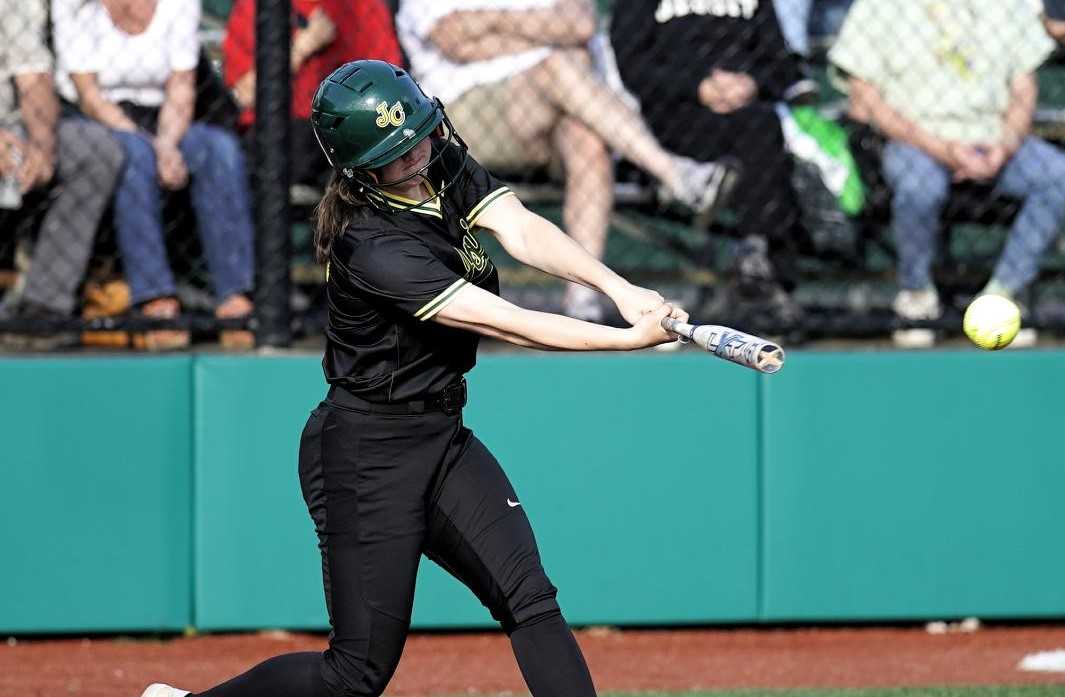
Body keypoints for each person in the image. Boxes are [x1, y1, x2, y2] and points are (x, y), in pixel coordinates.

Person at [138, 59, 685, 697]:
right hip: (367, 452)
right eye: (398, 154)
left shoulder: (437, 159)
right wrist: (625, 341)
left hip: (441, 433)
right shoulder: (370, 243)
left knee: (529, 596)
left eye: (421, 135)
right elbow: (507, 323)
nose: (419, 155)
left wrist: (620, 289)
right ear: (362, 170)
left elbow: (521, 226)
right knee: (355, 674)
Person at [396, 0, 732, 321]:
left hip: (561, 103)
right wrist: (543, 32)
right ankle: (673, 173)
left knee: (588, 139)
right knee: (557, 63)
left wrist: (490, 24)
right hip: (464, 111)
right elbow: (453, 39)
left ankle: (581, 298)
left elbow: (582, 24)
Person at [830, 0, 1065, 347]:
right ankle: (917, 295)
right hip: (914, 139)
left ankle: (1002, 294)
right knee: (918, 185)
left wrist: (1005, 144)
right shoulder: (879, 5)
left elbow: (1024, 87)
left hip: (993, 137)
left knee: (1059, 173)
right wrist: (941, 148)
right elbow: (865, 98)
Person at [52, 0, 256, 350]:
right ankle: (155, 300)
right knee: (134, 156)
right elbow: (88, 96)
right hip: (96, 119)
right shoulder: (74, 5)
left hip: (166, 118)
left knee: (217, 148)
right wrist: (150, 146)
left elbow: (181, 86)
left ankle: (235, 298)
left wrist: (167, 144)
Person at [611, 0, 813, 323]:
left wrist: (752, 84)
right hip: (672, 117)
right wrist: (697, 87)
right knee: (759, 135)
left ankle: (755, 257)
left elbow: (779, 62)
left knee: (761, 127)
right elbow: (633, 67)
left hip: (747, 112)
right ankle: (762, 266)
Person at [0, 0, 124, 350]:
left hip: (12, 128)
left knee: (95, 150)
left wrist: (42, 146)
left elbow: (33, 73)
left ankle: (42, 308)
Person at [223, 0, 403, 187]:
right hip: (275, 131)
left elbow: (388, 80)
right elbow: (243, 96)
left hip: (346, 127)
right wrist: (301, 48)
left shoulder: (361, 6)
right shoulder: (254, 7)